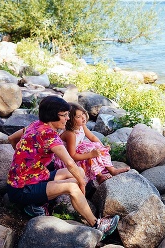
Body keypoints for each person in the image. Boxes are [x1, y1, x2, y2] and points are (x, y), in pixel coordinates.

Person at [7, 96, 119, 239]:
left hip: (35, 177)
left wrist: (23, 159)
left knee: (79, 172)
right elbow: (70, 162)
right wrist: (82, 184)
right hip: (22, 189)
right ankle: (97, 224)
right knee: (72, 186)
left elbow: (11, 138)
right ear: (52, 115)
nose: (68, 118)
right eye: (64, 115)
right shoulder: (49, 136)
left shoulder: (36, 124)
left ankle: (38, 204)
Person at [53, 103, 129, 183]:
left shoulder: (81, 126)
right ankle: (99, 176)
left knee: (97, 146)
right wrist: (90, 155)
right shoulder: (70, 134)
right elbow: (72, 155)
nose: (83, 117)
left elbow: (92, 137)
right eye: (78, 117)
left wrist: (102, 147)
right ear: (70, 120)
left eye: (83, 114)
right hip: (67, 160)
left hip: (77, 151)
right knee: (89, 149)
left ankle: (112, 169)